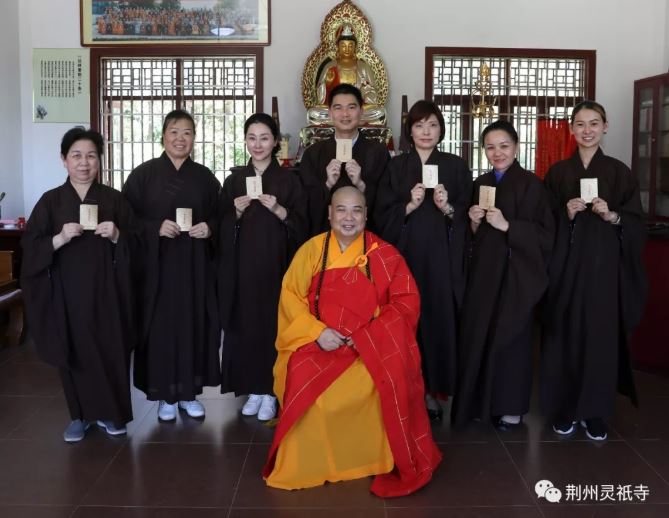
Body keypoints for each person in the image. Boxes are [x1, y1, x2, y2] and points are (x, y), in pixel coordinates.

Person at [262, 186, 442, 497]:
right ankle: (310, 462)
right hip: (320, 342)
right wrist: (317, 332)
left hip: (368, 348)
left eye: (356, 210)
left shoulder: (384, 254)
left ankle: (373, 459)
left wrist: (369, 338)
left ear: (366, 215)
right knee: (303, 378)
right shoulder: (312, 250)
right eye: (341, 210)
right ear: (329, 213)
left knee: (381, 381)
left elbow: (405, 303)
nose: (349, 217)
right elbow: (290, 297)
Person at [541, 101, 647, 441]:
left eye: (594, 123)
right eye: (580, 124)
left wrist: (612, 216)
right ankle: (566, 409)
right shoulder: (558, 173)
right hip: (567, 271)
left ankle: (596, 413)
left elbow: (636, 225)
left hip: (604, 272)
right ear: (571, 129)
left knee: (600, 340)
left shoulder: (619, 172)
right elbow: (543, 224)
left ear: (605, 127)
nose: (587, 130)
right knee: (566, 337)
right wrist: (566, 213)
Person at [21, 127, 135, 442]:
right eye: (76, 156)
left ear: (99, 160)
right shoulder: (51, 201)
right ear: (64, 159)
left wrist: (117, 236)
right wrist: (58, 238)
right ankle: (80, 415)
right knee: (73, 351)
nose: (84, 163)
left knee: (111, 350)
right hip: (66, 294)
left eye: (90, 156)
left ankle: (113, 414)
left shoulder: (114, 200)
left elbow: (138, 245)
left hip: (107, 292)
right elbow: (31, 247)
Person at [451, 120, 554, 428]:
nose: (497, 153)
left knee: (512, 339)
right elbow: (469, 237)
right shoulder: (480, 183)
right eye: (491, 147)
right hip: (483, 274)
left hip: (515, 276)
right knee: (478, 335)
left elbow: (547, 234)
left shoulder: (533, 185)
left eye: (504, 146)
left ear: (517, 147)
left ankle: (510, 407)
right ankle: (478, 402)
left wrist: (508, 226)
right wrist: (472, 222)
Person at [374, 100, 472, 419]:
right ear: (410, 131)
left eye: (432, 125)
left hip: (442, 260)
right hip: (406, 257)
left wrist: (446, 207)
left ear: (441, 129)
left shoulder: (456, 166)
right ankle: (403, 388)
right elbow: (381, 214)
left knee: (437, 320)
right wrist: (409, 205)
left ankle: (432, 391)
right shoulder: (396, 167)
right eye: (419, 125)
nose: (426, 131)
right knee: (405, 320)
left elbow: (468, 216)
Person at [123, 109, 221, 422]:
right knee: (161, 330)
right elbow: (126, 219)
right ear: (163, 135)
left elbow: (221, 215)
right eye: (174, 131)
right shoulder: (143, 175)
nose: (181, 138)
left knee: (194, 325)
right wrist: (154, 227)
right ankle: (165, 395)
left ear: (194, 138)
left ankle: (189, 394)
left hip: (194, 268)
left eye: (187, 132)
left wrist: (210, 228)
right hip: (157, 269)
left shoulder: (204, 177)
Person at [218, 113, 308, 421]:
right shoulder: (233, 180)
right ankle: (252, 389)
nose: (258, 145)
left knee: (273, 326)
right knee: (246, 327)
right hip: (242, 269)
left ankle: (271, 391)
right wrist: (235, 213)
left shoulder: (288, 180)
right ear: (245, 141)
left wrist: (280, 209)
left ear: (275, 142)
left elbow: (303, 226)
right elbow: (220, 227)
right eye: (252, 138)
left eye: (264, 138)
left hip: (276, 266)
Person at [300, 83, 389, 237]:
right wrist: (327, 184)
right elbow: (304, 204)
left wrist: (361, 185)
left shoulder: (378, 152)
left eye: (351, 107)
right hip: (325, 235)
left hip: (365, 237)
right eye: (338, 108)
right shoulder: (313, 153)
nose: (345, 114)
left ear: (361, 111)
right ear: (329, 112)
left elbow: (386, 202)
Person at [308, 24, 385, 125]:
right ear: (338, 47)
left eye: (350, 46)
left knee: (379, 112)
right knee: (313, 113)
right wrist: (327, 83)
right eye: (343, 46)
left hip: (357, 110)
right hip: (335, 110)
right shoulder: (330, 66)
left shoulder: (363, 67)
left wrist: (363, 92)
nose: (347, 49)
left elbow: (372, 93)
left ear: (355, 47)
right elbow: (320, 98)